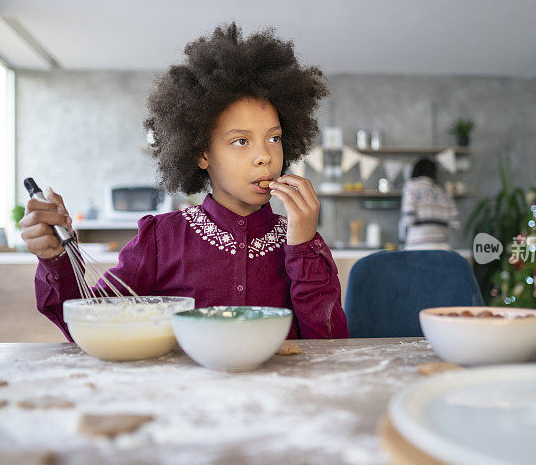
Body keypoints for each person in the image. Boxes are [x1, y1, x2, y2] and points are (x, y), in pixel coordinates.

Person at [19, 23, 349, 340]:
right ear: (201, 153)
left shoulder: (303, 241)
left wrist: (303, 246)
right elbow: (94, 322)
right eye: (241, 141)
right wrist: (57, 260)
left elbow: (330, 345)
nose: (265, 156)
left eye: (274, 138)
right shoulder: (159, 240)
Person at [399, 157, 460, 250]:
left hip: (417, 246)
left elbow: (408, 220)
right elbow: (455, 224)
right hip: (442, 247)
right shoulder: (443, 190)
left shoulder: (411, 186)